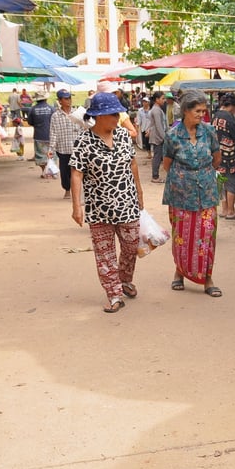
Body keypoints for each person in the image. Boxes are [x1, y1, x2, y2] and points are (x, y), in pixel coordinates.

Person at [69, 92, 144, 313]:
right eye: (113, 114)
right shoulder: (84, 141)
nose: (117, 118)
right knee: (104, 253)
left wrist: (139, 191)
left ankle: (124, 279)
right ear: (100, 116)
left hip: (127, 203)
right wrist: (76, 206)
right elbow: (76, 174)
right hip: (99, 208)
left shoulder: (122, 136)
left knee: (131, 245)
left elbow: (132, 164)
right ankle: (114, 294)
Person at [161, 89, 223, 297]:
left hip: (206, 192)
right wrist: (185, 178)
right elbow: (167, 164)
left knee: (206, 235)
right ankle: (179, 272)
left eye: (203, 111)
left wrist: (202, 174)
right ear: (186, 111)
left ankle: (207, 278)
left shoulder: (209, 131)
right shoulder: (172, 136)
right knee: (182, 236)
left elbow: (217, 158)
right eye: (197, 111)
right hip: (180, 194)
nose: (201, 115)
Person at [212, 93, 235, 220]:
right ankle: (231, 211)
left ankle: (224, 209)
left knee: (221, 180)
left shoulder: (215, 116)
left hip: (217, 154)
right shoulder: (229, 117)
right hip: (229, 155)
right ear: (231, 106)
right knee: (232, 181)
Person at [48, 89, 88, 200]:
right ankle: (67, 189)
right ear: (60, 101)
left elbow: (85, 128)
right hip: (63, 148)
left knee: (80, 171)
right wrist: (51, 149)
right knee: (65, 172)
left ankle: (80, 192)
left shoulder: (78, 113)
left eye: (69, 98)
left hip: (77, 148)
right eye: (66, 98)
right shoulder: (55, 116)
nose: (69, 100)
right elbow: (53, 132)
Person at [27, 92, 54, 178]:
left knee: (40, 155)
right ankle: (52, 171)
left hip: (39, 135)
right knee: (51, 154)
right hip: (51, 135)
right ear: (46, 98)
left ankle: (44, 171)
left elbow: (30, 122)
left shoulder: (32, 109)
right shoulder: (52, 109)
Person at [148, 92, 168, 182]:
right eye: (162, 98)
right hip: (157, 137)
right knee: (157, 156)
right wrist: (164, 138)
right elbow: (159, 126)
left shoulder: (158, 109)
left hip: (158, 136)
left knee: (159, 156)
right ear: (157, 99)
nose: (164, 100)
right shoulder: (156, 110)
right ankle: (155, 176)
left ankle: (155, 175)